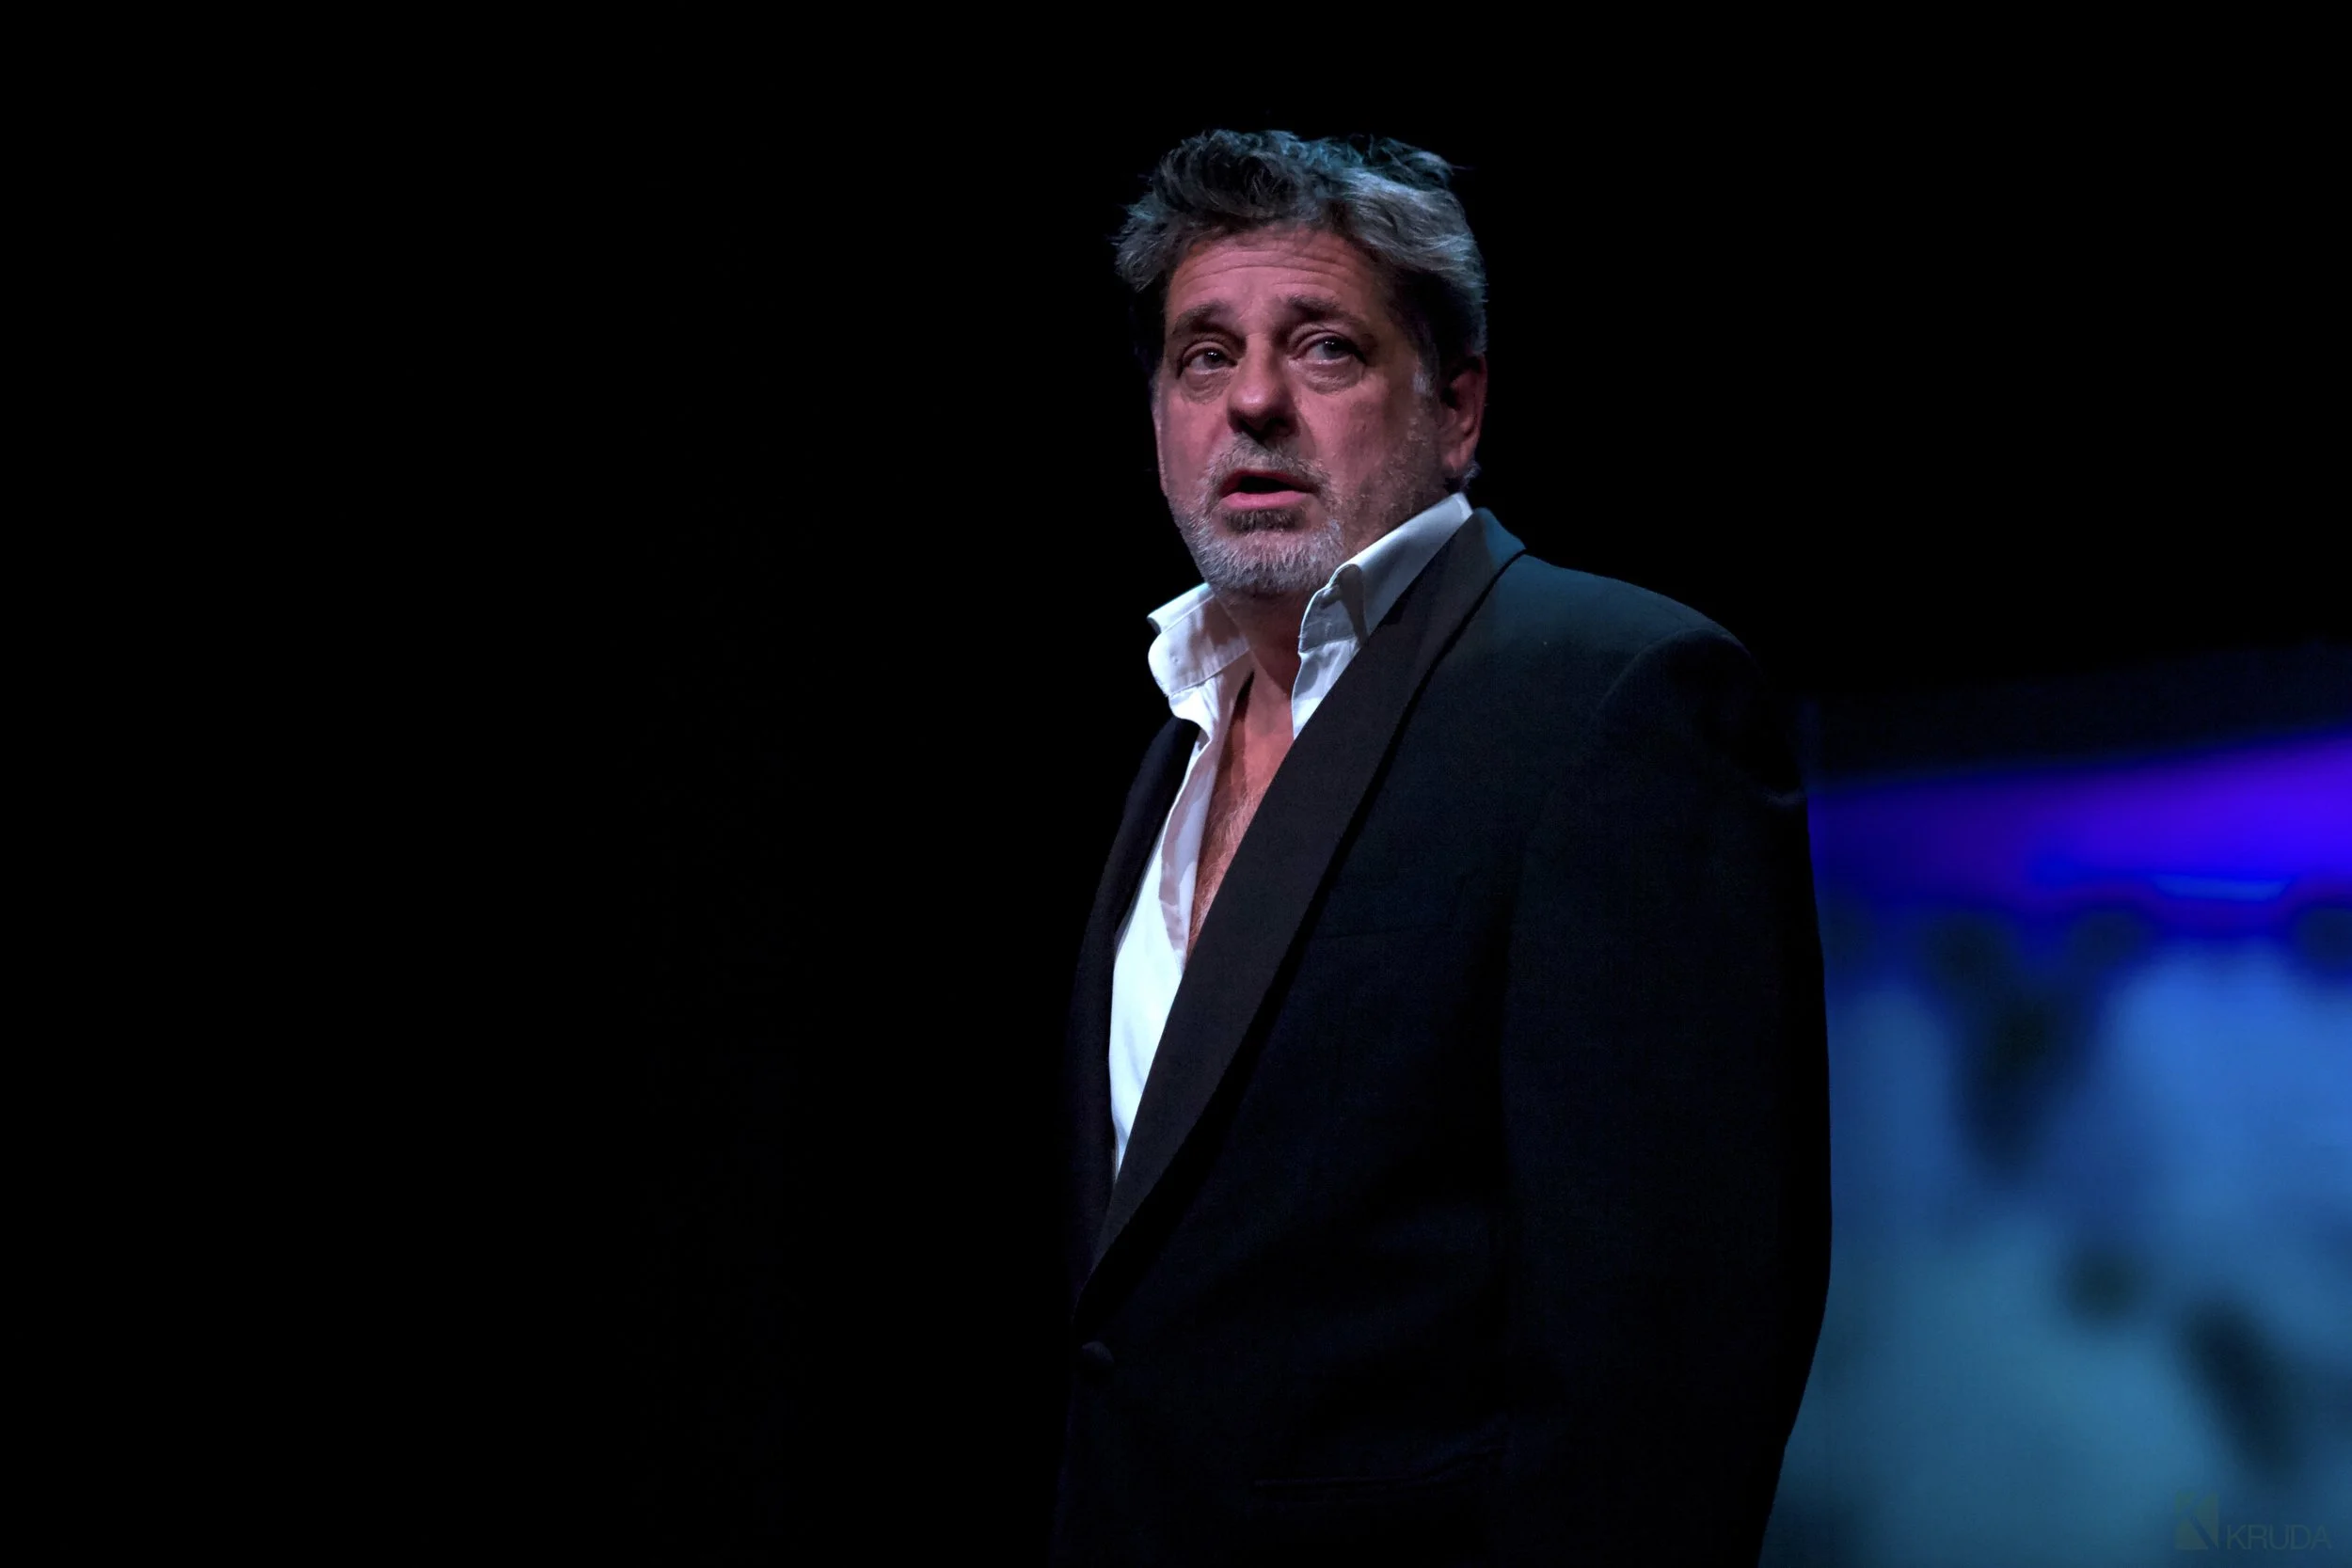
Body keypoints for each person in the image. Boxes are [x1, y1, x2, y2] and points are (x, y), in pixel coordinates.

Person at [1052, 130, 1831, 1565]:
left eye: (1325, 347)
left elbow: (1673, 1361)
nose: (1254, 402)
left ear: (1457, 405)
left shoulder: (1615, 694)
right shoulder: (1173, 736)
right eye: (1204, 356)